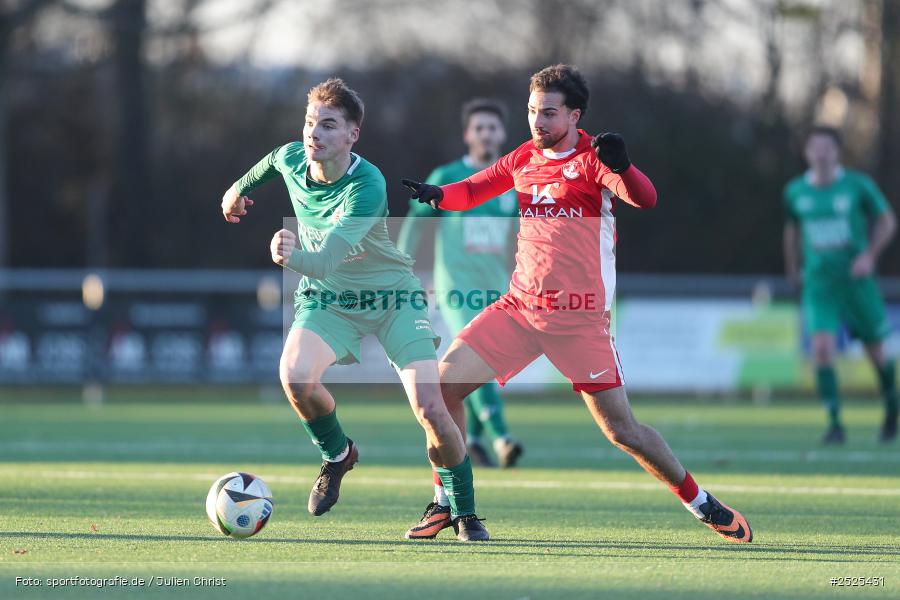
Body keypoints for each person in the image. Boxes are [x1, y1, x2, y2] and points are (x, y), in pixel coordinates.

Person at [401, 64, 753, 543]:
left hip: (580, 319)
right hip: (521, 308)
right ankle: (449, 505)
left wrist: (624, 166)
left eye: (548, 113)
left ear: (574, 114)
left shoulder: (594, 159)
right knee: (442, 390)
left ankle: (701, 502)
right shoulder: (525, 156)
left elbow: (643, 199)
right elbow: (476, 188)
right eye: (532, 111)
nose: (537, 122)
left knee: (623, 431)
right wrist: (438, 195)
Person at [220, 78, 488, 540]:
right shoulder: (292, 157)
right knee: (295, 377)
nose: (313, 134)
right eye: (309, 123)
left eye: (327, 125)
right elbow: (269, 163)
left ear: (351, 135)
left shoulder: (367, 184)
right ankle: (337, 454)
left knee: (431, 406)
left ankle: (464, 512)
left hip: (392, 299)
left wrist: (288, 255)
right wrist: (235, 190)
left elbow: (324, 260)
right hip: (330, 301)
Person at [397, 98, 523, 469]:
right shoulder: (446, 176)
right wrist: (402, 267)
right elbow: (417, 220)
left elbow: (519, 237)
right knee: (476, 354)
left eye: (492, 127)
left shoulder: (510, 182)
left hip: (498, 288)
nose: (486, 134)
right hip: (456, 288)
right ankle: (502, 436)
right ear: (468, 134)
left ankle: (474, 441)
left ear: (502, 133)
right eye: (479, 128)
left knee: (481, 365)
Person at [783, 126, 897, 444]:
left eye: (827, 148)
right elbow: (791, 229)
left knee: (878, 355)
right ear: (807, 153)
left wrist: (869, 255)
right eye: (814, 147)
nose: (820, 154)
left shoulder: (857, 186)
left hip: (857, 283)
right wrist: (793, 268)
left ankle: (891, 406)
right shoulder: (795, 192)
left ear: (837, 152)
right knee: (821, 349)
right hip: (820, 285)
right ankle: (835, 423)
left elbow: (887, 220)